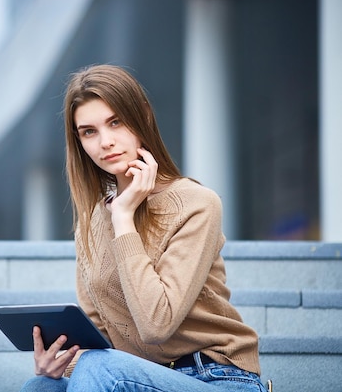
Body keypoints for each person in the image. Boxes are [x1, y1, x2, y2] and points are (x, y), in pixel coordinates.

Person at [19, 64, 268, 392]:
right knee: (41, 386)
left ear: (143, 117)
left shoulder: (197, 204)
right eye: (89, 131)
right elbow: (99, 337)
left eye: (115, 122)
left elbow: (156, 325)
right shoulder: (91, 222)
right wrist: (61, 363)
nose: (106, 142)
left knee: (102, 368)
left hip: (217, 377)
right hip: (132, 376)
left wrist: (123, 218)